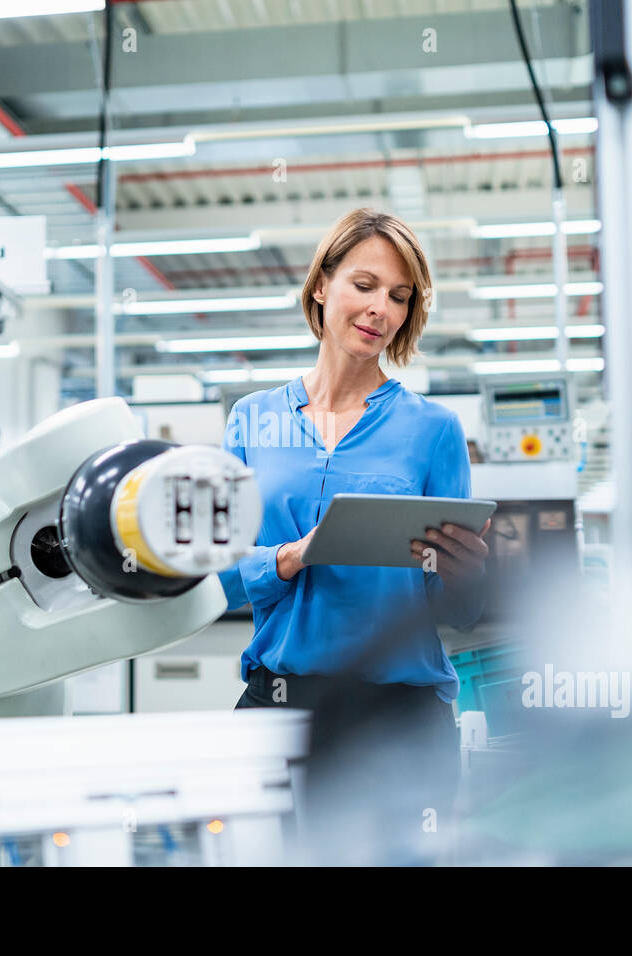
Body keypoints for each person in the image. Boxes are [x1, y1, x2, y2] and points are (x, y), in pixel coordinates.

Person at [216, 208, 492, 860]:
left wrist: (466, 575)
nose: (381, 309)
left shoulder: (434, 430)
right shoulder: (252, 421)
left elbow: (460, 614)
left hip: (401, 713)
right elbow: (217, 578)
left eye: (399, 297)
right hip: (279, 706)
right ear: (321, 285)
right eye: (365, 285)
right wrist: (288, 557)